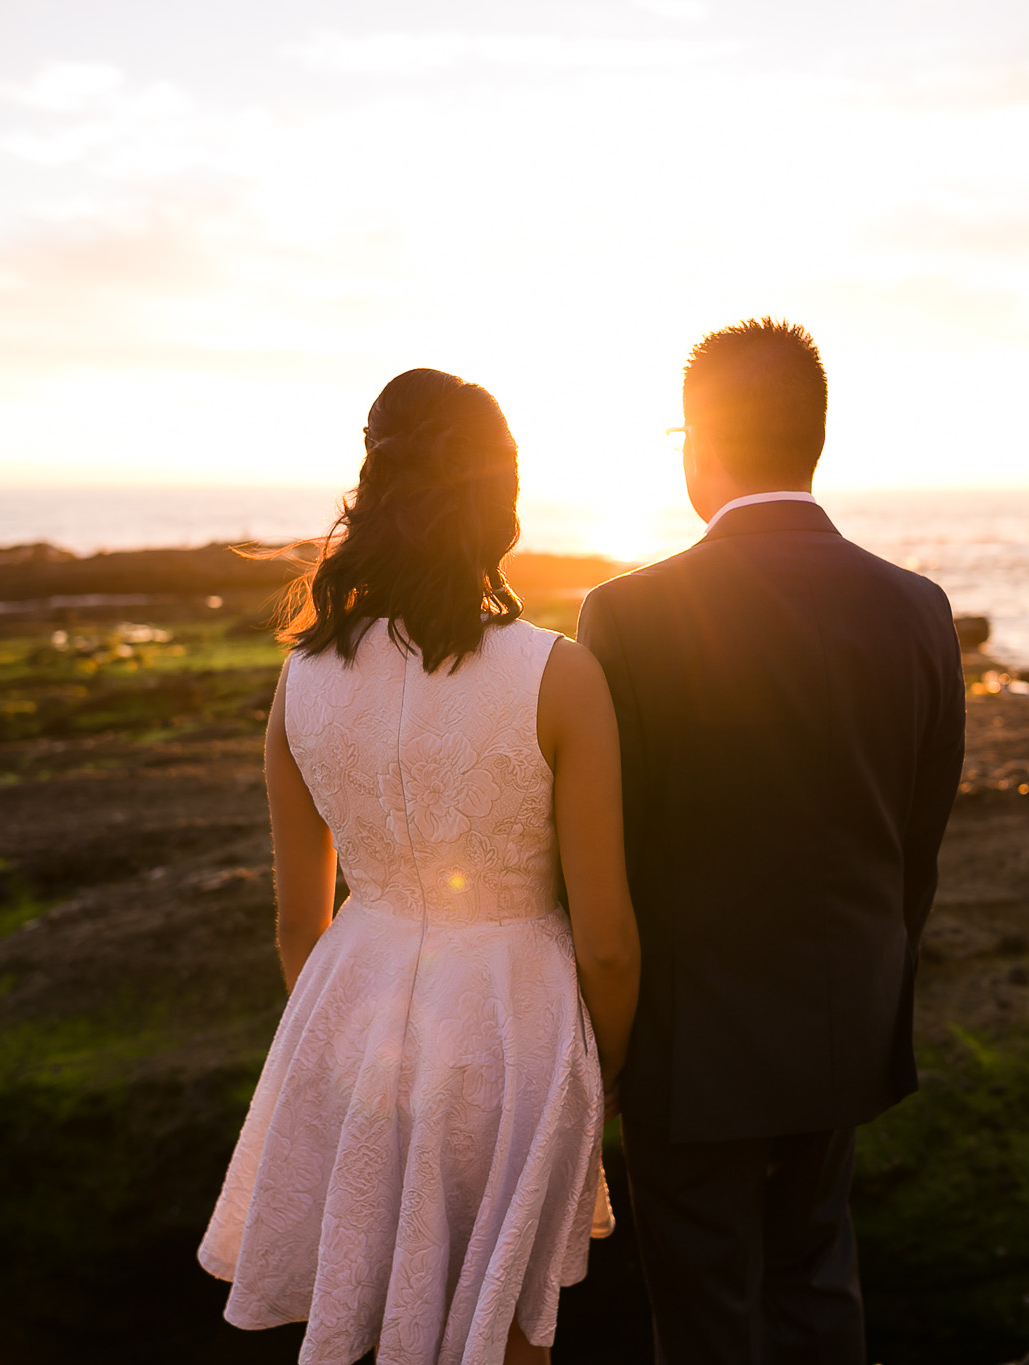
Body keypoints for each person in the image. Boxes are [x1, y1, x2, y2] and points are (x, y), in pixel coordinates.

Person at [200, 368, 641, 1365]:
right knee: (503, 1332)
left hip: (349, 1012)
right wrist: (602, 1074)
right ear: (502, 503)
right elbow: (607, 941)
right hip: (515, 1027)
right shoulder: (558, 675)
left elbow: (293, 924)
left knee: (363, 1319)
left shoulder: (298, 679)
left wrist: (337, 1044)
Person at [577, 319, 966, 1364]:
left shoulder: (623, 616)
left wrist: (605, 1032)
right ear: (812, 440)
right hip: (846, 1014)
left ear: (699, 445)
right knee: (816, 1287)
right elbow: (915, 847)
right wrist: (874, 976)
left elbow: (604, 854)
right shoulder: (919, 610)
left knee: (703, 1321)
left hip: (684, 1038)